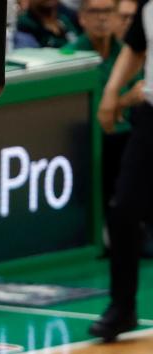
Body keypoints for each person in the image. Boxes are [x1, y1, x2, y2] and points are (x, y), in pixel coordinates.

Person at [62, 0, 146, 257]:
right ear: (81, 18)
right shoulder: (70, 56)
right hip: (88, 137)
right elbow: (94, 110)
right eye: (94, 12)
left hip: (126, 133)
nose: (101, 19)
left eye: (107, 12)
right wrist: (123, 100)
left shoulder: (127, 53)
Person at [91, 0, 152, 340]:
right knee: (124, 210)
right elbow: (136, 47)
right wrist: (112, 92)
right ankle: (122, 307)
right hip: (150, 118)